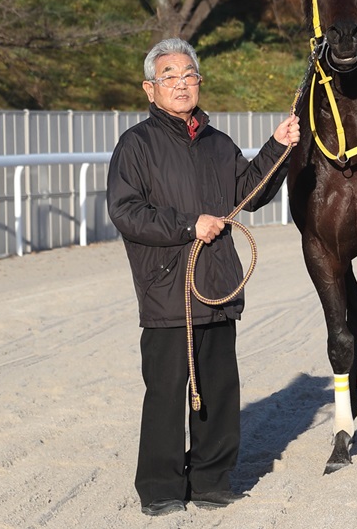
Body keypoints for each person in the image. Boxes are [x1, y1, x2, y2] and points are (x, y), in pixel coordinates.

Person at [107, 38, 299, 516]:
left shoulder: (218, 143)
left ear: (199, 83)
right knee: (168, 391)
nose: (181, 84)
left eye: (189, 75)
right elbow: (126, 211)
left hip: (216, 284)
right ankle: (160, 487)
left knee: (218, 388)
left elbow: (248, 193)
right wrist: (188, 225)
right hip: (166, 287)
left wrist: (280, 144)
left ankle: (213, 479)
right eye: (170, 77)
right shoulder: (136, 145)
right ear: (150, 90)